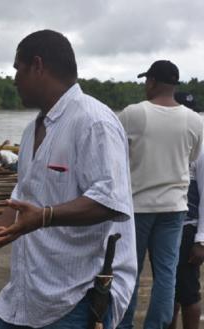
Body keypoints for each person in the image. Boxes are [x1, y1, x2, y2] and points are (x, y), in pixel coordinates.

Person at [0, 29, 136, 329]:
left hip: (76, 297)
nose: (14, 80)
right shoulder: (32, 131)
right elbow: (20, 207)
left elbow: (110, 201)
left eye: (18, 69)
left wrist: (45, 216)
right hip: (26, 295)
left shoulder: (94, 122)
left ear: (38, 66)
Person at [117, 61, 204, 329]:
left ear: (152, 82)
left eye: (146, 81)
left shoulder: (133, 114)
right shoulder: (195, 120)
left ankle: (124, 324)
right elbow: (191, 158)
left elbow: (115, 151)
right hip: (175, 209)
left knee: (129, 271)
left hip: (138, 207)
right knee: (167, 274)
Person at [168, 92, 204, 329]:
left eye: (193, 112)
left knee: (188, 292)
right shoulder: (169, 143)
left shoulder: (201, 147)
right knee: (169, 290)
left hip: (188, 228)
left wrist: (201, 239)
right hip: (166, 226)